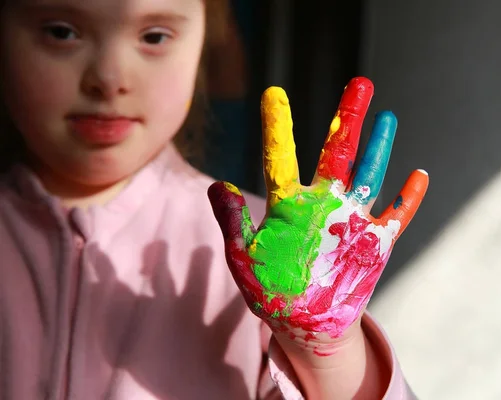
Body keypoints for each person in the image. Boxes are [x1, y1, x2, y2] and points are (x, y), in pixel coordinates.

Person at [0, 0, 429, 399]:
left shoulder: (277, 252)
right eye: (61, 32)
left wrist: (327, 349)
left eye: (154, 36)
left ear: (208, 38)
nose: (109, 79)